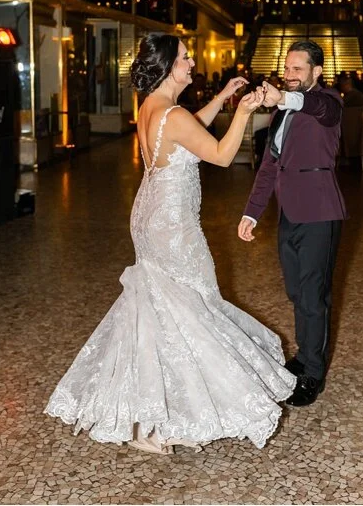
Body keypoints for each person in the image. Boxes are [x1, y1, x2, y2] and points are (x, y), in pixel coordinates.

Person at [47, 34, 294, 454]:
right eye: (184, 57)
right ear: (166, 67)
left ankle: (160, 417)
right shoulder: (173, 113)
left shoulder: (154, 107)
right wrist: (245, 113)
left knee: (166, 310)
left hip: (150, 217)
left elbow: (187, 129)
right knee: (192, 308)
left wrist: (220, 99)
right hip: (173, 226)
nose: (192, 61)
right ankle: (150, 421)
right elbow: (217, 154)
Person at [239, 40, 348, 409]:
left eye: (297, 69)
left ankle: (313, 374)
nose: (289, 75)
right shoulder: (282, 114)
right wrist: (252, 211)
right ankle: (303, 356)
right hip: (289, 214)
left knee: (314, 296)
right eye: (286, 69)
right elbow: (271, 164)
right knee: (297, 293)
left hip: (320, 212)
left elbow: (317, 106)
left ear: (317, 71)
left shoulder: (328, 102)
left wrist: (284, 99)